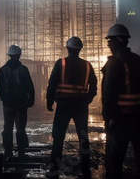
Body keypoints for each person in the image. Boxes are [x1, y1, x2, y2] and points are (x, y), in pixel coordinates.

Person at [101, 24, 140, 179]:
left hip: (121, 119)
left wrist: (107, 119)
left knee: (114, 159)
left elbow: (108, 94)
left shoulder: (115, 62)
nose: (108, 44)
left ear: (118, 41)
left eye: (110, 40)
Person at [46, 36, 97, 179]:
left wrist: (49, 102)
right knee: (83, 138)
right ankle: (85, 170)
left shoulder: (61, 63)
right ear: (80, 49)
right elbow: (93, 86)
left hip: (63, 106)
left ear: (67, 48)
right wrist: (87, 100)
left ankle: (54, 169)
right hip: (80, 106)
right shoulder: (87, 65)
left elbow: (52, 85)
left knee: (58, 138)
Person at [0, 44, 35, 160]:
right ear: (19, 55)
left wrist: (3, 97)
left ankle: (8, 151)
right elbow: (30, 86)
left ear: (9, 56)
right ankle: (21, 152)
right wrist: (31, 100)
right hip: (21, 104)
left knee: (7, 128)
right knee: (21, 128)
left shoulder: (3, 70)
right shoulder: (23, 69)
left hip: (8, 104)